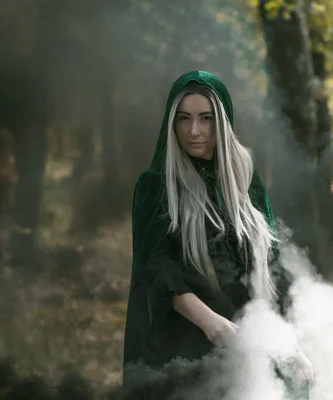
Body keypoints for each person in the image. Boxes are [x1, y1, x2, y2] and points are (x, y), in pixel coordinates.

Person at [122, 70, 313, 396]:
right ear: (172, 123)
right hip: (187, 342)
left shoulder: (245, 181)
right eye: (184, 119)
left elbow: (271, 268)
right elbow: (156, 271)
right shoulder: (156, 185)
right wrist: (212, 322)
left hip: (252, 339)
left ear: (221, 122)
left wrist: (289, 345)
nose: (194, 131)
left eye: (205, 118)